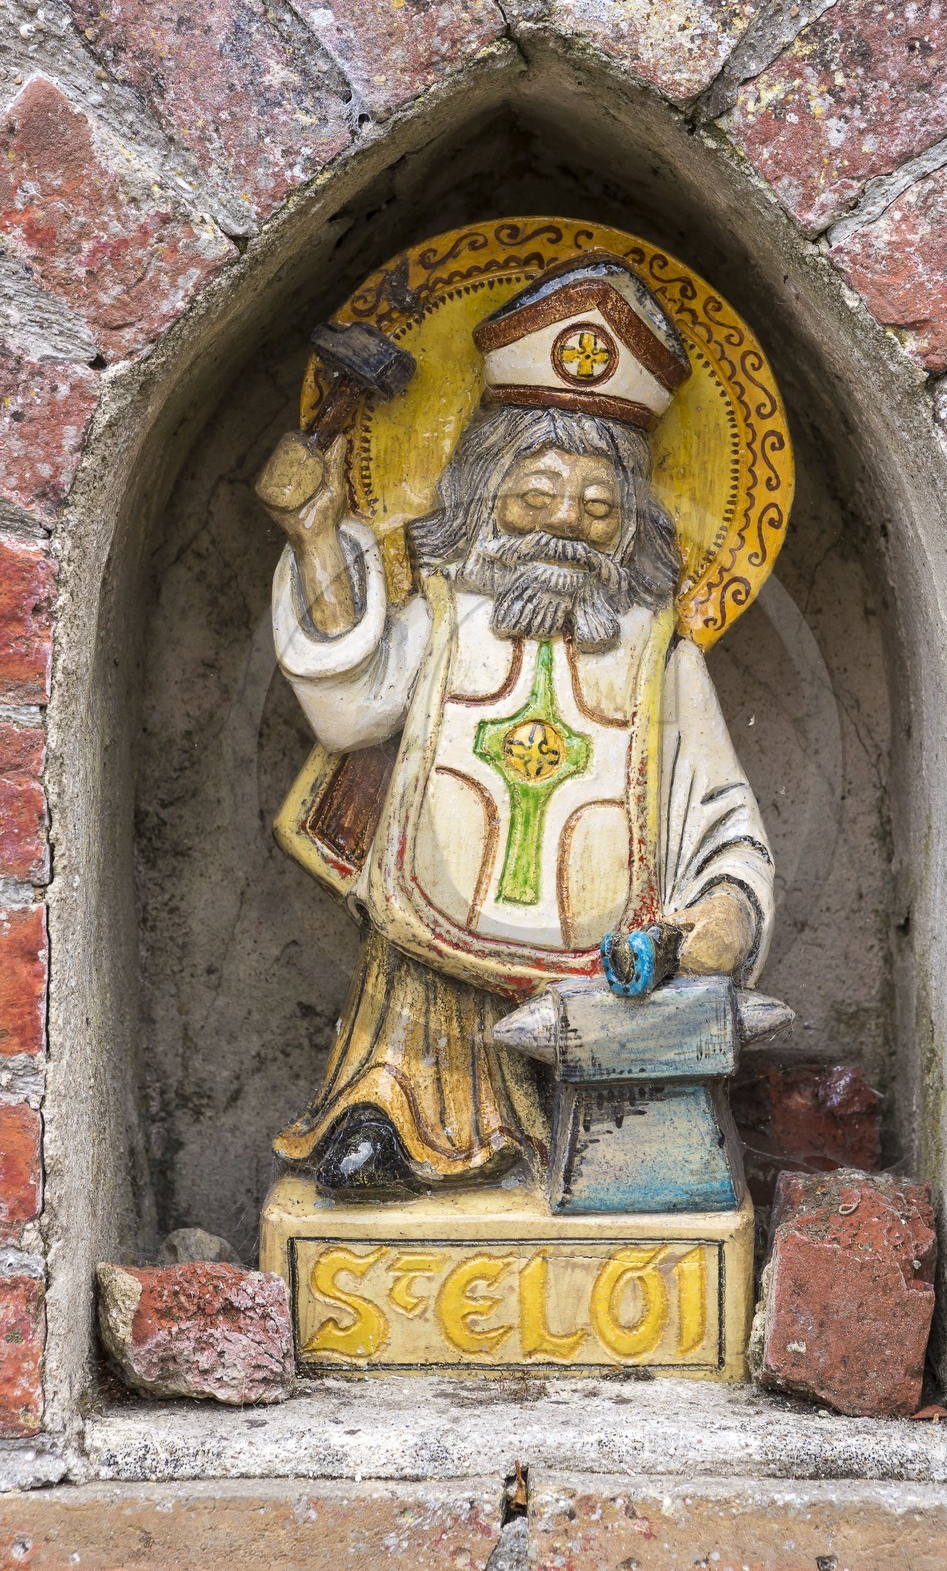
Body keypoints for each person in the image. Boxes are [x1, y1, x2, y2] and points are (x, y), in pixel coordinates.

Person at [265, 255, 775, 1196]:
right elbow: (349, 707)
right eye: (534, 499)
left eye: (596, 507)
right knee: (412, 1006)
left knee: (634, 1091)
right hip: (431, 942)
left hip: (606, 971)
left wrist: (729, 905)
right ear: (480, 493)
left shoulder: (662, 655)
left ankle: (593, 1158)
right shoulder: (446, 613)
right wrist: (314, 533)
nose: (563, 526)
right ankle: (390, 1123)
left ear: (635, 526)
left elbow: (722, 812)